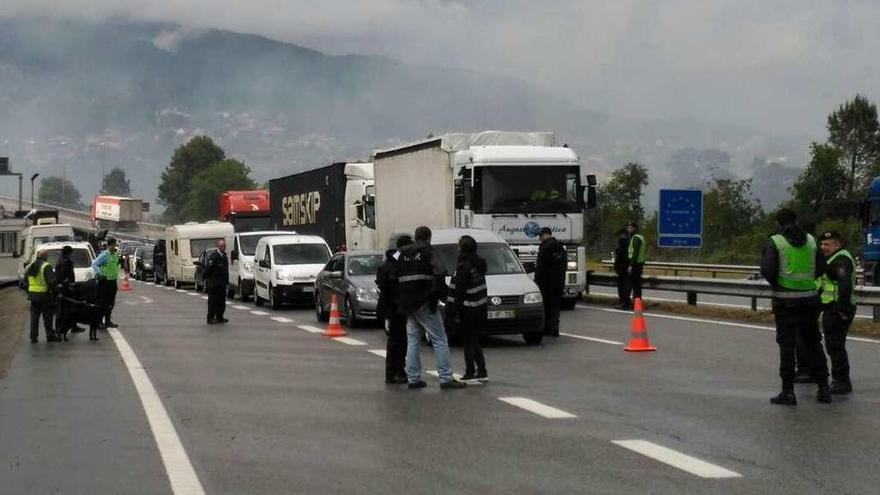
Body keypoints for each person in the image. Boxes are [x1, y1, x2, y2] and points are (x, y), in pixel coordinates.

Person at [760, 209, 829, 405]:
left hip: (785, 301)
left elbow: (767, 269)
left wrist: (778, 284)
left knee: (787, 346)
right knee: (814, 343)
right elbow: (821, 267)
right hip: (809, 300)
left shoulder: (775, 242)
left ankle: (788, 392)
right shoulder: (811, 241)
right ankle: (824, 389)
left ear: (778, 224)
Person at [396, 226, 466, 390]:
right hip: (425, 302)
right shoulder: (429, 252)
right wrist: (440, 296)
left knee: (413, 340)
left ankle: (413, 378)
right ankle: (446, 377)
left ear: (415, 237)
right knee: (440, 339)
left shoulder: (404, 254)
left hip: (408, 304)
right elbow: (440, 272)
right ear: (428, 238)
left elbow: (395, 274)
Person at [818, 231, 856, 395]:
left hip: (838, 308)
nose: (823, 247)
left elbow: (844, 286)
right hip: (831, 307)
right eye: (821, 244)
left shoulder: (841, 260)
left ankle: (841, 381)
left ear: (837, 244)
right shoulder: (832, 258)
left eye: (827, 244)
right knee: (833, 345)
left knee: (835, 345)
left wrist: (841, 309)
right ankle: (839, 379)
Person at [447, 235, 489, 382]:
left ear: (463, 248)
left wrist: (453, 312)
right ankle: (482, 370)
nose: (457, 248)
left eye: (458, 246)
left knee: (468, 341)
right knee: (474, 340)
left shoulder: (464, 266)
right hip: (479, 307)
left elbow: (459, 292)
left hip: (468, 309)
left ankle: (470, 371)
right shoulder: (477, 264)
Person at [376, 234, 413, 384]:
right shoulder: (395, 264)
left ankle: (398, 370)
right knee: (396, 340)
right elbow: (387, 285)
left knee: (400, 339)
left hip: (395, 306)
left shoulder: (394, 261)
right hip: (394, 307)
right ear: (403, 247)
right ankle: (394, 372)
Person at [535, 226, 566, 336]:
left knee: (546, 307)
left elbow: (541, 267)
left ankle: (547, 328)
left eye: (540, 236)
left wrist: (537, 282)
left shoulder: (545, 248)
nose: (539, 238)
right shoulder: (560, 247)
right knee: (556, 307)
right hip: (559, 283)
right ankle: (555, 328)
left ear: (543, 235)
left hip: (546, 284)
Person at [26, 249, 58, 343]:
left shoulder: (31, 266)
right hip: (44, 295)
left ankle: (33, 337)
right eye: (47, 255)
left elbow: (25, 279)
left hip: (33, 295)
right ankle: (50, 335)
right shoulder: (46, 266)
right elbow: (51, 281)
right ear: (45, 256)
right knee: (47, 316)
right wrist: (57, 291)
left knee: (34, 317)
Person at [92, 237, 120, 329]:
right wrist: (99, 273)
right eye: (112, 245)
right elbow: (94, 264)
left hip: (113, 282)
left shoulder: (115, 255)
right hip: (105, 282)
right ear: (109, 245)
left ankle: (108, 321)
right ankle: (99, 322)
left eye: (115, 245)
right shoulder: (105, 255)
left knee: (110, 303)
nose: (114, 247)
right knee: (102, 303)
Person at [204, 240, 230, 324]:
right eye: (222, 246)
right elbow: (208, 269)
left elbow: (225, 271)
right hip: (214, 284)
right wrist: (208, 279)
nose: (223, 248)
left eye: (224, 246)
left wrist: (226, 282)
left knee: (221, 301)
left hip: (222, 284)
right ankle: (210, 318)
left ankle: (220, 317)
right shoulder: (214, 257)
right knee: (213, 302)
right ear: (218, 246)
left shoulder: (224, 256)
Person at [54, 245, 76, 341]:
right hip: (64, 290)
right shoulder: (65, 262)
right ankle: (60, 331)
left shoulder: (60, 260)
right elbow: (64, 275)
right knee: (63, 311)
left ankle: (61, 331)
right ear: (69, 253)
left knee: (62, 311)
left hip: (62, 288)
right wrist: (68, 282)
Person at [625, 222, 646, 304]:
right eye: (628, 228)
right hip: (640, 263)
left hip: (635, 264)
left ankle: (634, 303)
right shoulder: (641, 237)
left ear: (634, 228)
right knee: (637, 285)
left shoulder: (636, 238)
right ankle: (637, 302)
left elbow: (635, 253)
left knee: (634, 285)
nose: (628, 229)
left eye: (629, 228)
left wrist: (630, 265)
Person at [613, 229, 631, 309]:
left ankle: (624, 302)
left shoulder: (622, 246)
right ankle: (624, 302)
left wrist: (616, 267)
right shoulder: (628, 246)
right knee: (625, 286)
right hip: (624, 268)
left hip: (623, 268)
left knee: (623, 287)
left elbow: (619, 258)